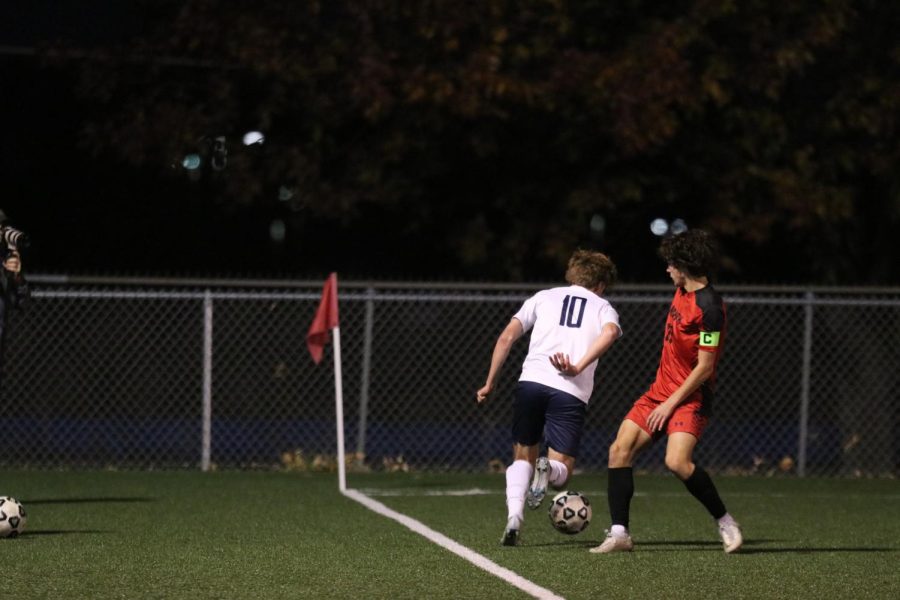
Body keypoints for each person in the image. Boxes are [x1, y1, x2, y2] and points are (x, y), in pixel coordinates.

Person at [587, 228, 742, 555]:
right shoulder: (681, 291)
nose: (667, 269)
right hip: (660, 392)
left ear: (685, 265)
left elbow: (704, 368)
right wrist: (663, 398)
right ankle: (620, 535)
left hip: (689, 398)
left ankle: (725, 520)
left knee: (677, 462)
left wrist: (670, 404)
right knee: (619, 450)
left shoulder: (710, 308)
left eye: (671, 264)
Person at [476, 249, 622, 546]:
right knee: (563, 470)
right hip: (570, 392)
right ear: (602, 285)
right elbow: (609, 334)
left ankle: (514, 517)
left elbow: (506, 337)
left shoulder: (543, 296)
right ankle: (548, 469)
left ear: (572, 274)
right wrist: (577, 366)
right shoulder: (604, 306)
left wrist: (490, 382)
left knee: (521, 456)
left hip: (530, 383)